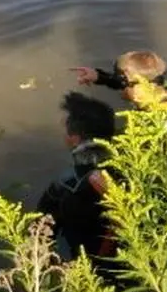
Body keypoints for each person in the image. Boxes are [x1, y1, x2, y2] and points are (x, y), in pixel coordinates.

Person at [35, 92, 121, 280]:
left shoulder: (65, 186)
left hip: (92, 275)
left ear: (73, 139)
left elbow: (38, 238)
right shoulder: (136, 168)